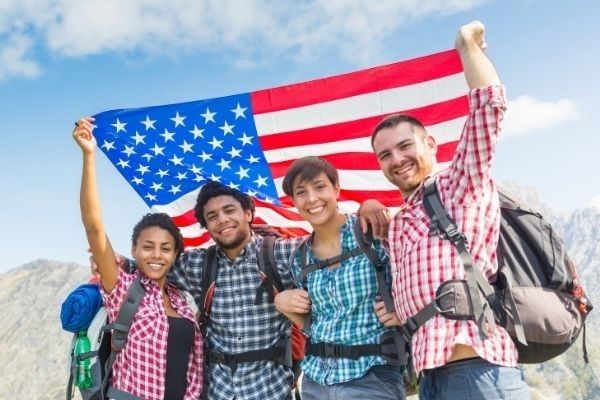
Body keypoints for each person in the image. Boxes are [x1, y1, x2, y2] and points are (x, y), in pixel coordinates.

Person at [369, 22, 530, 399]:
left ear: (430, 143)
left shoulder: (458, 185)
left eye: (406, 146)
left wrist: (467, 49)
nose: (398, 159)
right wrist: (404, 310)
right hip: (431, 376)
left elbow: (488, 108)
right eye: (385, 155)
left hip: (479, 368)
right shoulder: (399, 222)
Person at [73, 117, 203, 400]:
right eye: (148, 246)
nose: (156, 255)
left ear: (175, 254)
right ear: (134, 249)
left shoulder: (182, 301)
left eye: (165, 248)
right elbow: (94, 227)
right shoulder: (123, 288)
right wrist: (89, 155)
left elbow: (193, 370)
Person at [274, 156, 405, 400]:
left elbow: (416, 279)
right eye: (301, 192)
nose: (312, 198)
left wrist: (404, 312)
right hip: (316, 381)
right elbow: (314, 324)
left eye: (320, 187)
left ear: (336, 189)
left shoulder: (372, 234)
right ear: (293, 202)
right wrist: (283, 303)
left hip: (372, 376)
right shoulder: (299, 257)